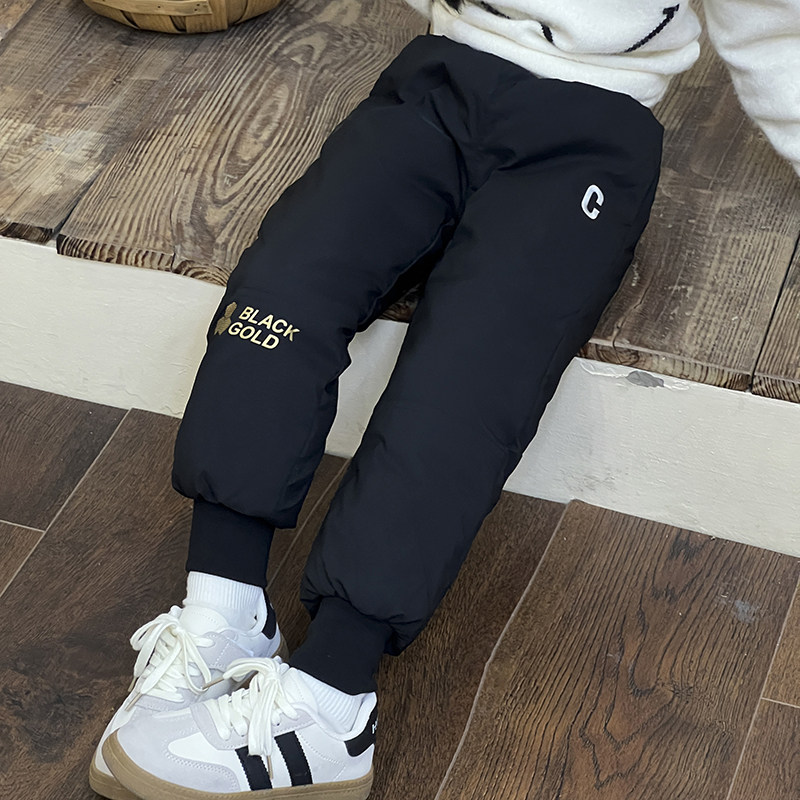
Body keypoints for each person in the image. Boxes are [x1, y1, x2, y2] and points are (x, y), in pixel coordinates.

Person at [89, 1, 800, 798]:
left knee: (469, 380)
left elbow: (777, 29)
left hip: (592, 127)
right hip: (438, 78)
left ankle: (333, 700)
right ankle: (222, 612)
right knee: (281, 292)